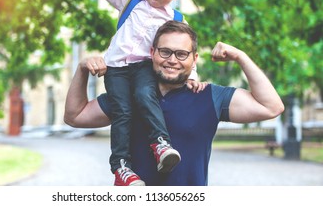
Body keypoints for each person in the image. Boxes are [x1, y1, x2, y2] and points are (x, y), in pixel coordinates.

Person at [64, 21, 285, 186]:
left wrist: (240, 56)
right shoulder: (127, 95)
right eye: (165, 52)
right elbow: (75, 116)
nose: (172, 60)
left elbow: (271, 107)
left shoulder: (209, 96)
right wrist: (82, 69)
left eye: (181, 54)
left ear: (194, 59)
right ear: (152, 53)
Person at [94, 0, 202, 186]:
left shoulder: (175, 19)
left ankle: (161, 144)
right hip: (116, 68)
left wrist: (192, 75)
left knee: (145, 95)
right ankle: (121, 168)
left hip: (144, 66)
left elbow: (186, 48)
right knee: (122, 112)